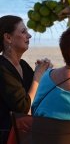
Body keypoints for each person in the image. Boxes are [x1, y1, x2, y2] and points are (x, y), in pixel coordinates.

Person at [0, 15, 51, 144]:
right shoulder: (2, 68)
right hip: (7, 137)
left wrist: (45, 73)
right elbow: (23, 108)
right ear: (8, 38)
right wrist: (37, 76)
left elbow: (36, 97)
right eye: (23, 32)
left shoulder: (23, 65)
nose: (29, 36)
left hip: (24, 135)